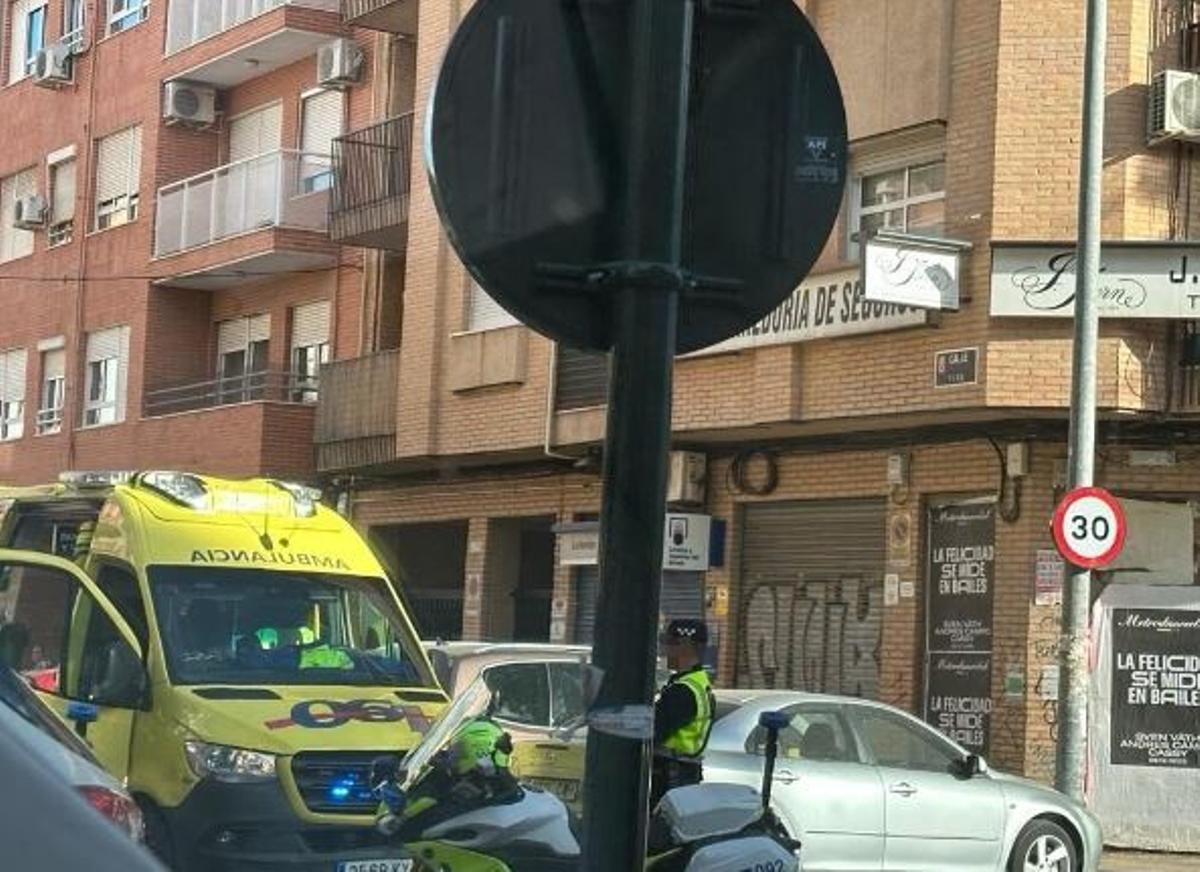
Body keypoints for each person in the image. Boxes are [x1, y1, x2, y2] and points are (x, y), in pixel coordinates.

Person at [651, 619, 715, 808]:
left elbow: (652, 732)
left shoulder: (683, 691)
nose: (665, 650)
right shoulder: (698, 682)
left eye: (670, 643)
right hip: (684, 773)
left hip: (669, 775)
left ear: (686, 646)